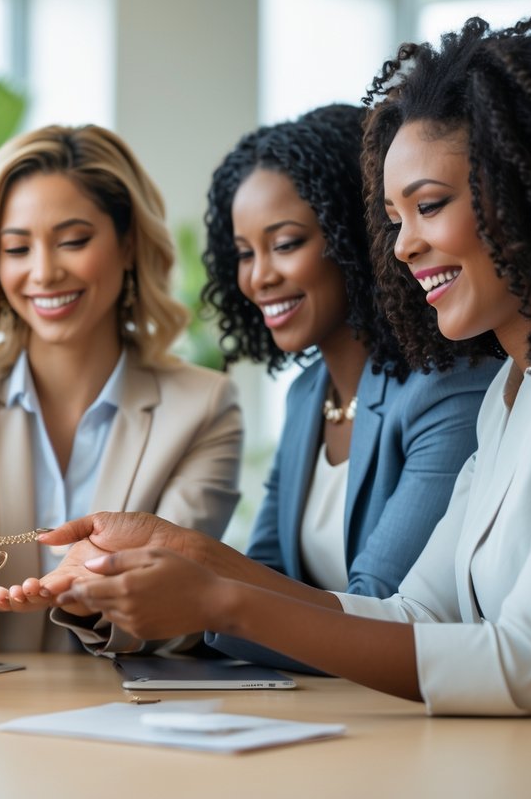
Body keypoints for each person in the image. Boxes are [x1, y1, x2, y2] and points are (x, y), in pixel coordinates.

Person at [46, 12, 531, 717]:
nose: (401, 248)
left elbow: (525, 664)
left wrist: (219, 598)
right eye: (393, 220)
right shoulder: (510, 396)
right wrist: (185, 554)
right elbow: (414, 614)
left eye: (428, 206)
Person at [0, 124, 244, 653]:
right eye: (17, 248)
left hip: (130, 716)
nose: (43, 272)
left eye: (73, 241)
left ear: (128, 243)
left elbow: (177, 608)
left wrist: (94, 597)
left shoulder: (203, 406)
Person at [194, 105, 497, 670]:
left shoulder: (446, 391)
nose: (258, 276)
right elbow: (267, 570)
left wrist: (197, 593)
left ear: (353, 234)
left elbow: (378, 608)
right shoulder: (309, 396)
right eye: (243, 253)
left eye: (285, 243)